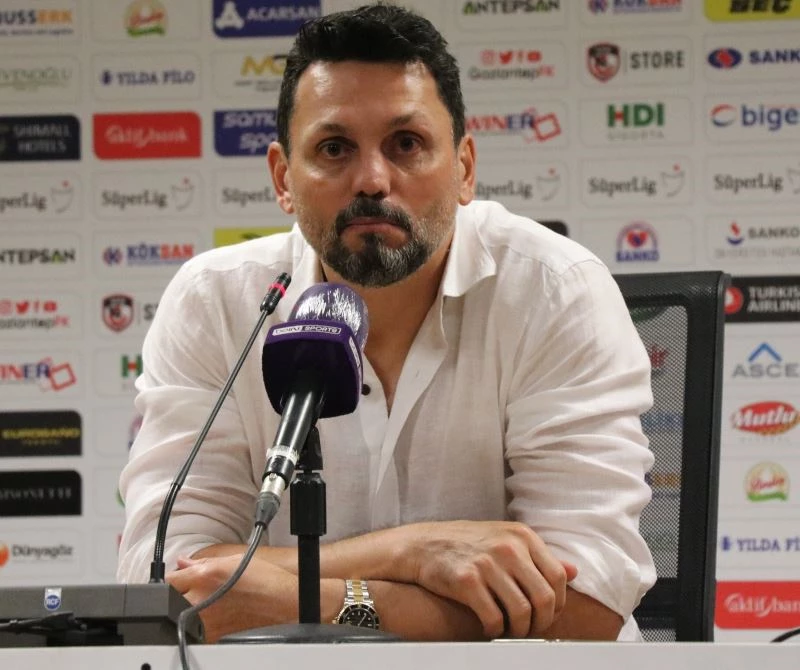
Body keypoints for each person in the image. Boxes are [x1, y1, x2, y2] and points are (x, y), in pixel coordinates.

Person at [117, 3, 656, 644]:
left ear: (464, 168)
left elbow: (589, 605)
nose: (372, 180)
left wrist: (305, 598)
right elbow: (163, 580)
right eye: (335, 148)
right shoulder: (215, 301)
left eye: (406, 144)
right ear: (283, 179)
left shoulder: (554, 289)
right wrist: (413, 551)